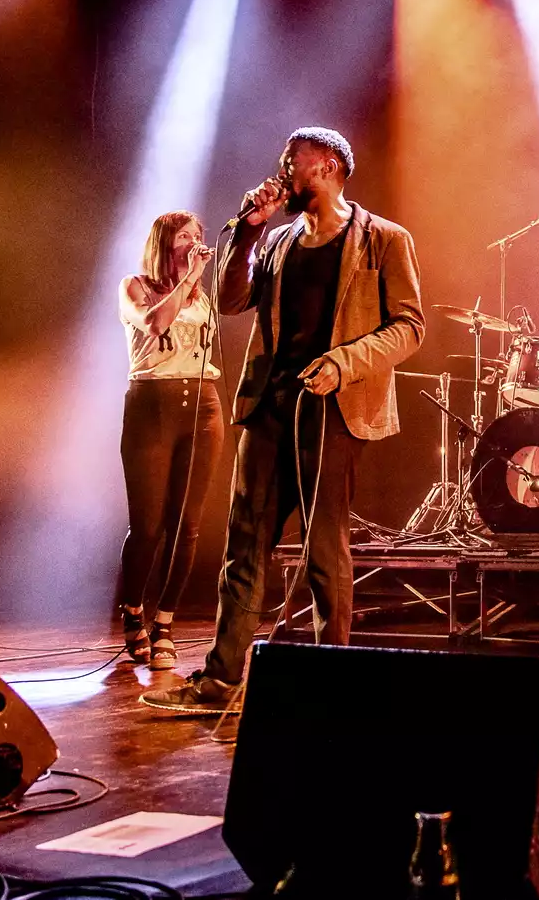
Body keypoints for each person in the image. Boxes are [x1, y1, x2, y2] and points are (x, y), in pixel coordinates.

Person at [143, 127, 423, 714]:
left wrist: (344, 362)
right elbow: (230, 299)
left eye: (290, 161)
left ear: (326, 165)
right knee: (245, 546)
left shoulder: (384, 240)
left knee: (324, 551)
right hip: (270, 407)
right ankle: (222, 678)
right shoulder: (277, 240)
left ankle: (330, 680)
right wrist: (249, 231)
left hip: (335, 408)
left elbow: (410, 327)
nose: (281, 170)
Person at [116, 211, 226, 670]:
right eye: (184, 236)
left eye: (197, 236)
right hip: (152, 405)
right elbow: (156, 324)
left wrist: (198, 281)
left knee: (188, 525)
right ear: (164, 243)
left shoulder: (204, 296)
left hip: (202, 406)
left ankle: (165, 622)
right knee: (148, 527)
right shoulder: (134, 285)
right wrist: (189, 279)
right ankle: (132, 610)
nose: (193, 243)